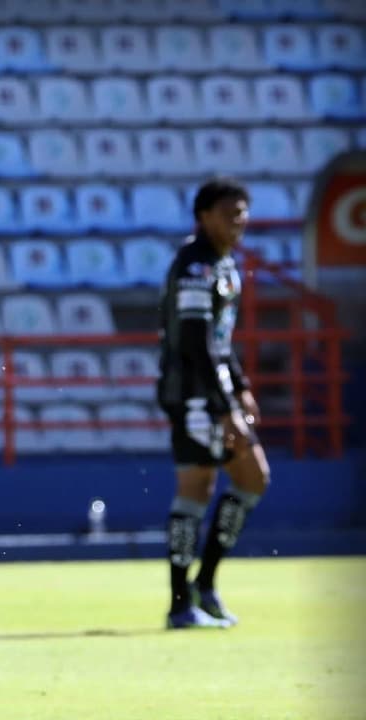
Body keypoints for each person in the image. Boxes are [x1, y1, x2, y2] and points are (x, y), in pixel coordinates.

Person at [157, 178, 270, 630]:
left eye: (242, 212)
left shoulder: (223, 265)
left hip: (215, 391)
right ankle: (182, 603)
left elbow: (220, 340)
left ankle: (203, 587)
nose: (238, 221)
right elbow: (193, 342)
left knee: (249, 480)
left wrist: (240, 385)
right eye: (229, 213)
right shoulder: (195, 266)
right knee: (199, 489)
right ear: (204, 216)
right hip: (192, 395)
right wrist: (225, 406)